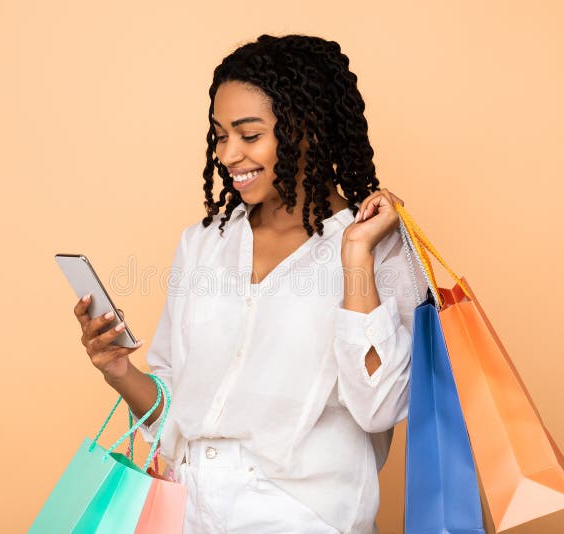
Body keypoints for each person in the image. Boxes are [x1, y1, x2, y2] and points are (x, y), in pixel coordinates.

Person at [73, 34, 427, 534]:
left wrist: (355, 255)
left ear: (308, 130)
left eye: (249, 134)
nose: (229, 154)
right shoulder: (202, 244)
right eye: (220, 135)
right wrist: (118, 370)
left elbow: (381, 407)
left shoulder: (379, 249)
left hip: (303, 518)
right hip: (188, 512)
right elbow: (174, 412)